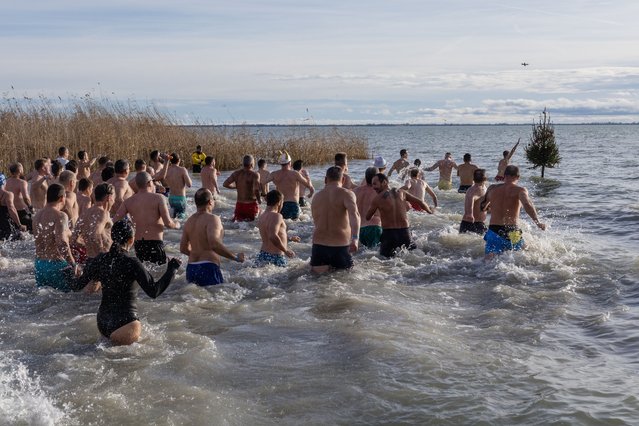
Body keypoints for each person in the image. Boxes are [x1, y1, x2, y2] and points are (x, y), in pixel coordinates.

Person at [73, 220, 181, 346]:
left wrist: (70, 273)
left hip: (102, 322)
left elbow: (77, 285)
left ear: (112, 237)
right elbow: (154, 291)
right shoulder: (132, 263)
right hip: (125, 324)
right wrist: (172, 268)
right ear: (131, 240)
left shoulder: (99, 259)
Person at [180, 188, 245, 286]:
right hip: (208, 267)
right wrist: (236, 258)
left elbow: (183, 248)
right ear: (210, 202)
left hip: (191, 268)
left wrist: (199, 255)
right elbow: (214, 244)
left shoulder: (189, 221)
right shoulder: (212, 219)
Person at [480, 165, 546, 259]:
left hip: (494, 231)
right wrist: (537, 222)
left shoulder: (492, 188)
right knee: (524, 254)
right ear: (518, 177)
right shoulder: (520, 190)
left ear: (504, 175)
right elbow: (527, 205)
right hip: (512, 231)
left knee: (489, 259)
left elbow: (482, 207)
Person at [113, 172, 180, 264]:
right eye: (153, 181)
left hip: (138, 244)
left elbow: (115, 221)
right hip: (155, 243)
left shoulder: (128, 202)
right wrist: (177, 224)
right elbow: (168, 223)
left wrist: (129, 227)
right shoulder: (159, 198)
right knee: (160, 273)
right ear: (149, 183)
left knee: (144, 273)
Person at [366, 173, 432, 258]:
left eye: (375, 184)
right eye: (372, 184)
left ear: (384, 182)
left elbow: (368, 217)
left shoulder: (377, 199)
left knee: (385, 262)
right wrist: (430, 212)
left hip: (389, 235)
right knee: (414, 257)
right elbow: (420, 202)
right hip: (405, 233)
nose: (373, 187)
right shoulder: (402, 193)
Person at [310, 166, 360, 273]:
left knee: (318, 284)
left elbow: (316, 221)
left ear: (325, 179)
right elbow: (354, 215)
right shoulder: (347, 194)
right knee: (343, 282)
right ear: (343, 180)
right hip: (340, 246)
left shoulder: (316, 197)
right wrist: (355, 238)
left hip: (319, 246)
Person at [32, 184, 78, 291]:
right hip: (56, 265)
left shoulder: (36, 216)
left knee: (43, 300)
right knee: (65, 301)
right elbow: (61, 242)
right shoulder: (60, 215)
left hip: (39, 264)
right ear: (62, 198)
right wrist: (72, 263)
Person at [72, 182, 114, 266]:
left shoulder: (85, 214)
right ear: (108, 197)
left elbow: (73, 239)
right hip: (102, 260)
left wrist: (88, 246)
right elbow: (94, 234)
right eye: (114, 197)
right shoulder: (103, 213)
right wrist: (102, 255)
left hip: (89, 259)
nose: (114, 200)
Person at [256, 190, 299, 267]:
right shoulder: (277, 216)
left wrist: (289, 238)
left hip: (262, 255)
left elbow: (269, 234)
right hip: (275, 256)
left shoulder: (262, 215)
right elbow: (272, 236)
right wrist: (286, 251)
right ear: (279, 202)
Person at [268, 151, 314, 220]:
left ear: (280, 163)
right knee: (295, 227)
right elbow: (307, 184)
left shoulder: (274, 174)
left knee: (284, 226)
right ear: (290, 163)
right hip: (294, 205)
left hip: (282, 205)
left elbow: (262, 182)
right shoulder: (295, 174)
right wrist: (311, 191)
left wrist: (265, 195)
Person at [223, 155, 262, 222]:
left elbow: (225, 184)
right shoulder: (255, 175)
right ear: (252, 164)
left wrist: (236, 187)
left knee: (238, 224)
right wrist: (259, 200)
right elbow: (256, 189)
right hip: (251, 205)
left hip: (239, 205)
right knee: (251, 225)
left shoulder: (236, 173)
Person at [353, 167, 382, 249]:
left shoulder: (354, 191)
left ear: (365, 177)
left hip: (359, 230)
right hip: (374, 229)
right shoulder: (379, 192)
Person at [459, 169, 488, 235]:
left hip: (473, 223)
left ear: (473, 178)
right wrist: (470, 213)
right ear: (485, 178)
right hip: (473, 223)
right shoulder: (474, 189)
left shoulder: (483, 188)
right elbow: (470, 199)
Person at [6, 162, 33, 232]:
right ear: (20, 170)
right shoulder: (22, 182)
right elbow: (25, 197)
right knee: (32, 230)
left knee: (16, 233)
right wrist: (30, 207)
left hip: (10, 212)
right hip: (21, 211)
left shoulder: (6, 181)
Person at [165, 153, 192, 219]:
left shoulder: (167, 170)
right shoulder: (182, 170)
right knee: (181, 217)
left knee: (173, 217)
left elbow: (166, 183)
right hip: (180, 198)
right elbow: (189, 184)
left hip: (171, 198)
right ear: (179, 160)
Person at [0, 173, 27, 240]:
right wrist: (19, 225)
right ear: (4, 182)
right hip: (5, 224)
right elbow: (11, 209)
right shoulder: (7, 194)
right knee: (19, 239)